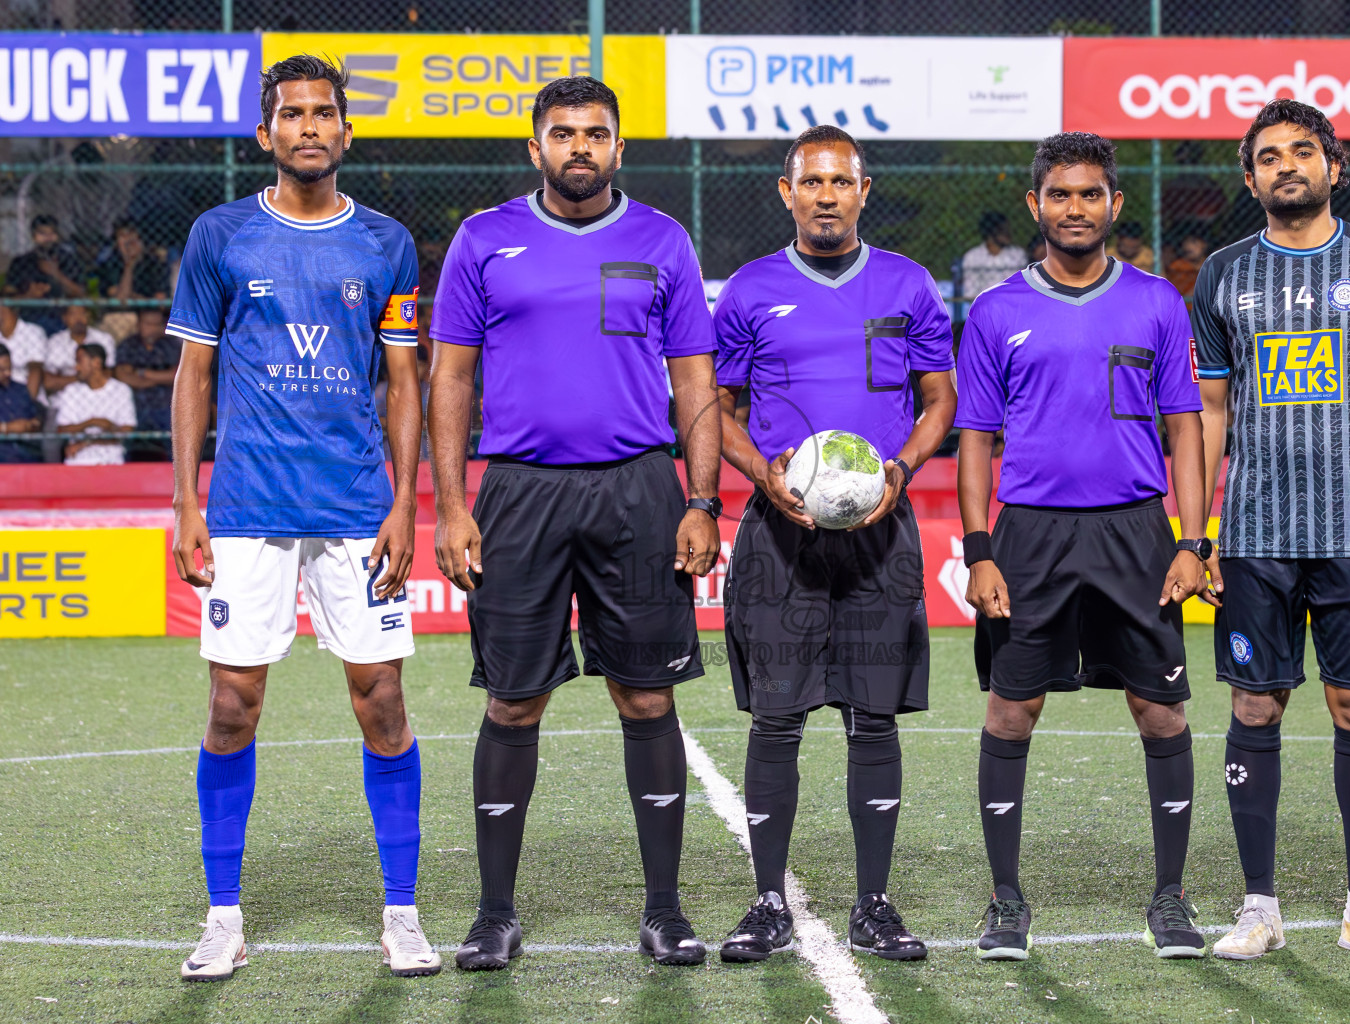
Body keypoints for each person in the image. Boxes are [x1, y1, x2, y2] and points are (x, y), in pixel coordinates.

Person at [427, 76, 721, 971]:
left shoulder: (663, 240)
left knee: (646, 695)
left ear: (619, 148)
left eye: (596, 133)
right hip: (519, 492)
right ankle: (494, 913)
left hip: (640, 488)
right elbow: (449, 380)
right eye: (563, 133)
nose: (580, 147)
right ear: (536, 148)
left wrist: (702, 501)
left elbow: (697, 385)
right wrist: (451, 504)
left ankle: (664, 912)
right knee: (513, 699)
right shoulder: (483, 240)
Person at [166, 55, 438, 983]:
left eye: (326, 113)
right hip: (246, 507)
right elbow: (194, 372)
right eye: (293, 115)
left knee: (383, 701)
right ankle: (223, 916)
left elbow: (405, 378)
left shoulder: (387, 242)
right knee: (232, 705)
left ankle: (401, 913)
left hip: (361, 506)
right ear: (266, 133)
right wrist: (184, 501)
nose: (310, 127)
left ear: (347, 132)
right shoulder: (220, 235)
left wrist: (408, 502)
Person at [1194, 99, 1350, 962]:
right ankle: (1259, 908)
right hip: (1256, 532)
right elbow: (1211, 410)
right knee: (1254, 702)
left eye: (1303, 152)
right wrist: (1198, 532)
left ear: (1334, 166)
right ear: (1250, 177)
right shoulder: (1223, 275)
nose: (1286, 166)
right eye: (1268, 156)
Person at [956, 132, 1210, 961]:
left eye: (1090, 195)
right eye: (1059, 195)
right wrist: (980, 547)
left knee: (1160, 709)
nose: (1075, 208)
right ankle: (1005, 901)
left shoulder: (1155, 301)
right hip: (1029, 534)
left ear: (1114, 205)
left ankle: (1170, 898)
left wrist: (1193, 541)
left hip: (1138, 530)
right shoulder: (996, 311)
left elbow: (1186, 427)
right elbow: (975, 440)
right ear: (1036, 205)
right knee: (1011, 708)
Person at [712, 126, 958, 963]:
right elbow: (720, 414)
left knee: (873, 720)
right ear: (787, 192)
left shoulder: (908, 285)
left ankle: (875, 905)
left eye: (840, 182)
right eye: (810, 181)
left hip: (879, 536)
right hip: (781, 538)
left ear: (862, 190)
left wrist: (903, 468)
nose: (825, 194)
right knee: (776, 721)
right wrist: (763, 475)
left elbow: (940, 399)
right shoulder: (748, 290)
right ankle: (768, 901)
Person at [52, 343, 136, 465]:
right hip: (77, 459)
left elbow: (126, 431)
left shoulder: (121, 390)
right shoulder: (71, 391)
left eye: (79, 361)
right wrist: (93, 422)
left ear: (96, 363)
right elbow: (63, 429)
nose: (76, 368)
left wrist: (86, 442)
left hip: (111, 459)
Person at [115, 308, 182, 458]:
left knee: (175, 446)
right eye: (148, 324)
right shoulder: (129, 345)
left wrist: (142, 373)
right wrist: (158, 378)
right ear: (138, 324)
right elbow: (122, 375)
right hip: (135, 403)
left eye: (156, 324)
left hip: (166, 404)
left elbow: (176, 375)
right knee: (130, 446)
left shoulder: (170, 344)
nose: (152, 328)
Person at [3, 214, 86, 333]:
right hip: (28, 318)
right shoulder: (21, 262)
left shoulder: (69, 260)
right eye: (42, 233)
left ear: (58, 236)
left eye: (52, 233)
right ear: (33, 236)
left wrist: (56, 274)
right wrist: (29, 295)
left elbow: (81, 293)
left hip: (62, 318)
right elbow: (7, 297)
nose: (48, 238)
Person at [98, 218, 172, 340]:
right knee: (121, 320)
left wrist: (131, 296)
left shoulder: (155, 263)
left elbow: (161, 303)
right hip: (124, 315)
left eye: (132, 235)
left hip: (151, 315)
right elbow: (120, 302)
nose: (129, 241)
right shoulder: (110, 264)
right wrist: (129, 265)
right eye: (123, 236)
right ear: (117, 243)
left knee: (155, 321)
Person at [42, 304, 116, 393]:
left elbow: (109, 374)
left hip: (99, 392)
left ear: (89, 316)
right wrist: (87, 376)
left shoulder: (104, 339)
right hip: (64, 394)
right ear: (64, 318)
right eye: (73, 314)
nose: (78, 318)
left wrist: (65, 380)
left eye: (82, 313)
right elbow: (49, 382)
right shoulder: (55, 342)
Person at [959, 211, 1027, 299]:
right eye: (1002, 230)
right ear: (991, 232)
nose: (1008, 233)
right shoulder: (972, 257)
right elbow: (970, 293)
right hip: (983, 306)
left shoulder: (1017, 255)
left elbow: (1019, 289)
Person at [0, 344, 43, 463]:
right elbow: (12, 428)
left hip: (27, 452)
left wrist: (33, 424)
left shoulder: (21, 389)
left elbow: (35, 417)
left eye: (9, 368)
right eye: (2, 370)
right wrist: (7, 428)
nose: (8, 373)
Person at [1, 299, 48, 393]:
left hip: (24, 391)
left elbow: (35, 370)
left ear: (8, 309)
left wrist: (26, 402)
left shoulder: (32, 332)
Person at [1165, 229, 1210, 296]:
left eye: (1193, 242)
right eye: (1186, 242)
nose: (1189, 246)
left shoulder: (1210, 264)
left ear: (1204, 245)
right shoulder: (1177, 266)